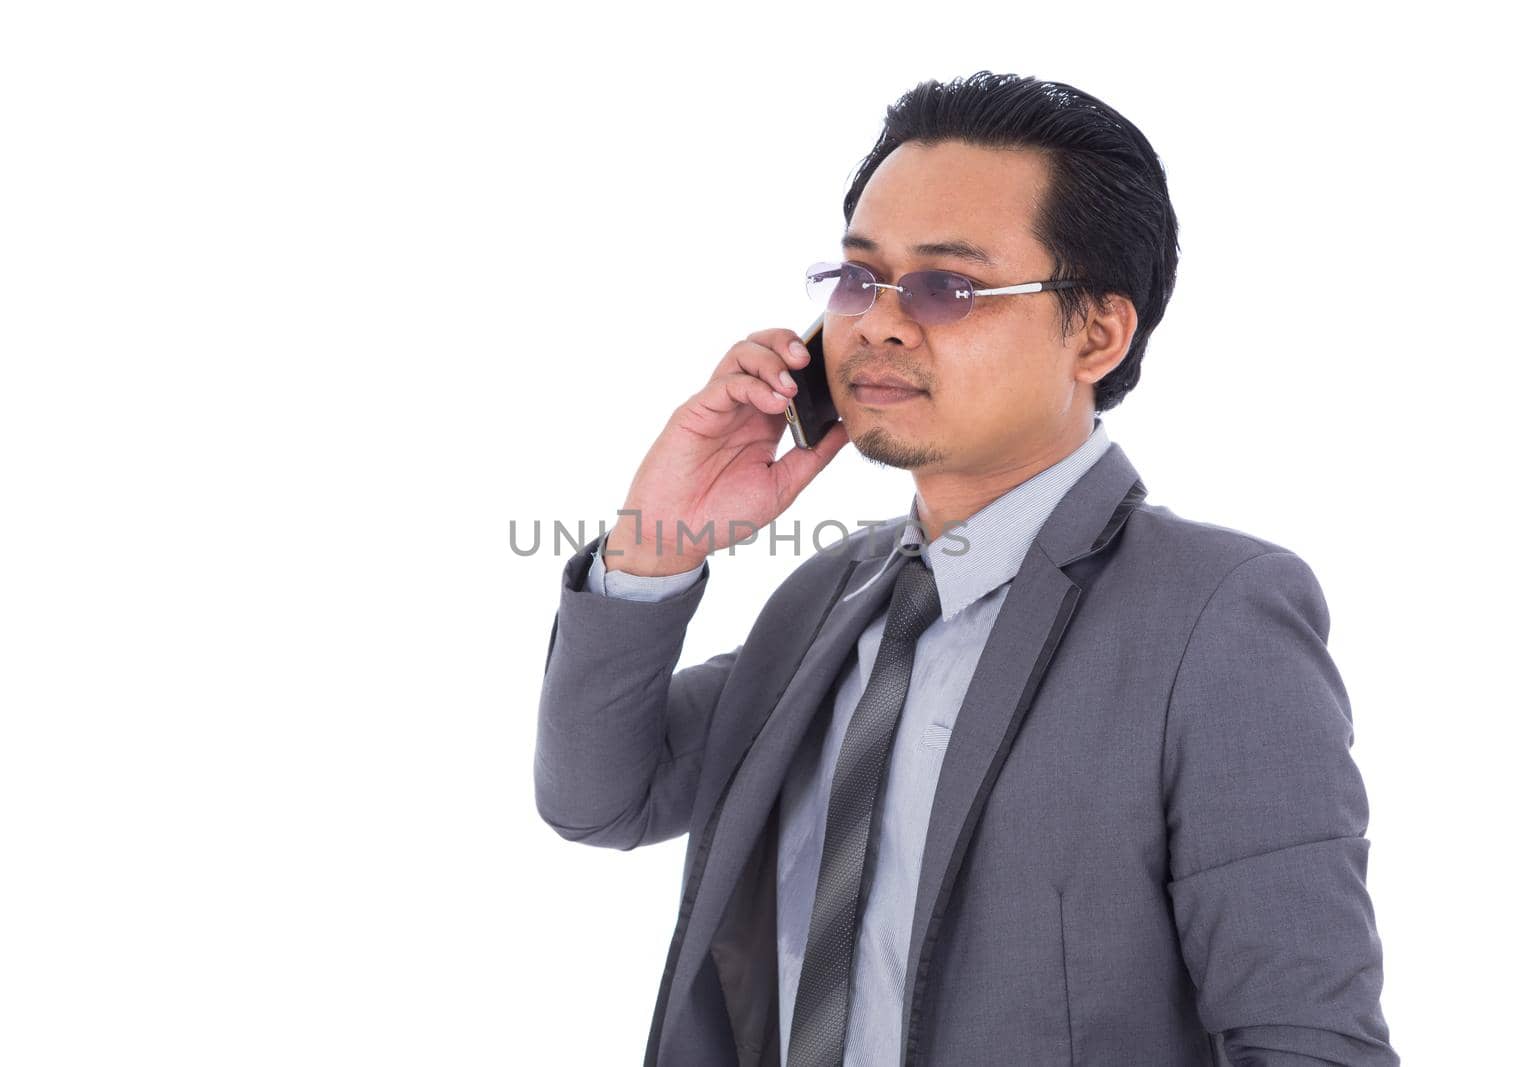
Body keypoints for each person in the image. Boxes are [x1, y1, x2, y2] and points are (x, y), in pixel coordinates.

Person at [535, 71, 1397, 1066]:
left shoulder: (1214, 614)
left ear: (1098, 331)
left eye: (948, 287)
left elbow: (1307, 1042)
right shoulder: (830, 598)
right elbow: (599, 796)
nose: (881, 323)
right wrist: (657, 545)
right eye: (859, 278)